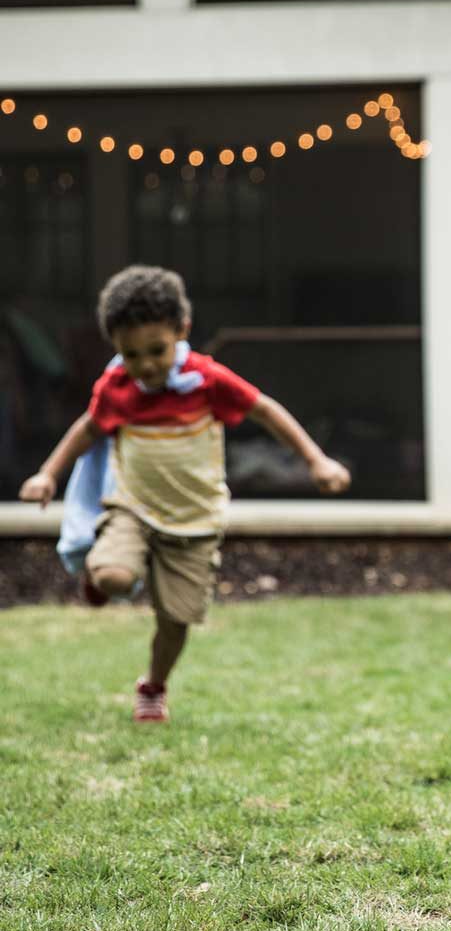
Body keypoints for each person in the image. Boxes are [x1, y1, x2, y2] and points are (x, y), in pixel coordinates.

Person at [18, 265, 350, 723]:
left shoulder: (208, 381)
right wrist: (47, 474)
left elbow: (266, 412)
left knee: (175, 620)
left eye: (157, 350)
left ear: (182, 331)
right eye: (131, 355)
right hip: (133, 508)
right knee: (115, 577)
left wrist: (316, 460)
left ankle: (153, 685)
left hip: (195, 521)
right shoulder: (117, 387)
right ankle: (101, 575)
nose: (146, 365)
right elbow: (88, 429)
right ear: (115, 347)